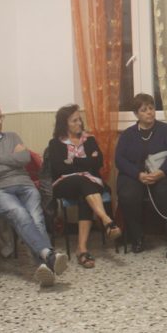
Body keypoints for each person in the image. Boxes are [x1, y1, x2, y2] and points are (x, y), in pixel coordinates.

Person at [0, 101, 68, 287]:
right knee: (19, 212)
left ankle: (45, 263)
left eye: (0, 116)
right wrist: (12, 161)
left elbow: (25, 158)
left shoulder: (12, 136)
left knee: (36, 217)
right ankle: (48, 257)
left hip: (24, 184)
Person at [47, 104, 121, 268]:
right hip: (64, 184)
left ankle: (82, 249)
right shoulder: (55, 144)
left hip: (90, 183)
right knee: (83, 180)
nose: (79, 123)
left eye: (79, 119)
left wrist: (73, 162)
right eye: (74, 121)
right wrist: (86, 162)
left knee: (85, 192)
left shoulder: (90, 140)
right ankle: (107, 220)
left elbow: (98, 162)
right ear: (64, 124)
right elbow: (59, 169)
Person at [115, 94, 167, 257]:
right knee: (128, 194)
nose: (149, 112)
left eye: (151, 108)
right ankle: (137, 237)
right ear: (136, 114)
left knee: (166, 191)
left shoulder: (166, 130)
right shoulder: (128, 134)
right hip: (136, 175)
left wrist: (161, 172)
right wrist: (138, 174)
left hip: (162, 172)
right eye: (144, 110)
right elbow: (119, 160)